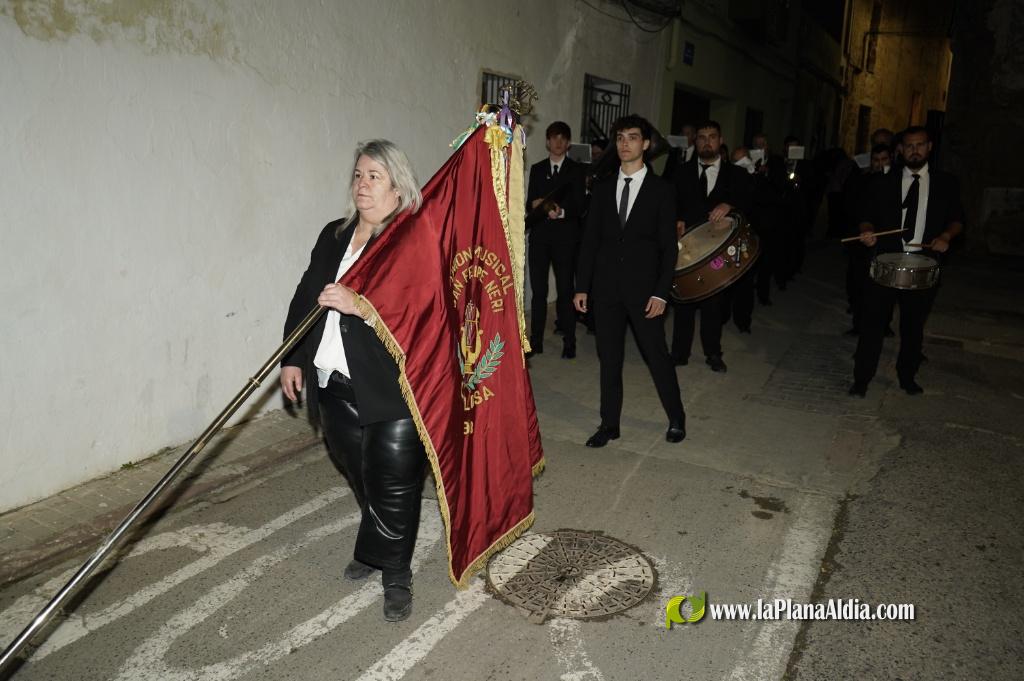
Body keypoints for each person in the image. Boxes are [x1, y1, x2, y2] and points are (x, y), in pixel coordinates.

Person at [280, 139, 426, 622]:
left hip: (392, 386)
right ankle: (373, 547)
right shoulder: (334, 234)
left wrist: (362, 306)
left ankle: (396, 573)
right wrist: (292, 358)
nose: (363, 185)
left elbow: (424, 310)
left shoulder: (411, 240)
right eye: (359, 175)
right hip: (333, 382)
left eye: (374, 176)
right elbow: (306, 294)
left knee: (395, 484)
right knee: (361, 475)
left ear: (397, 186)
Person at [574, 114, 686, 447]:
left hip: (645, 292)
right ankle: (610, 424)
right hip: (606, 289)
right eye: (620, 137)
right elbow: (590, 240)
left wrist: (661, 293)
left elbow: (668, 248)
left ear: (646, 144)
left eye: (633, 137)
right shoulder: (604, 187)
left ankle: (677, 418)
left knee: (657, 357)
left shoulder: (662, 190)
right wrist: (582, 286)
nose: (625, 144)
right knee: (609, 359)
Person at [850, 126, 964, 396]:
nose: (915, 150)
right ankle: (862, 378)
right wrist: (866, 231)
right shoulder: (883, 182)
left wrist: (946, 236)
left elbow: (958, 219)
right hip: (886, 261)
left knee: (913, 327)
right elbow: (866, 215)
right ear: (900, 149)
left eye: (920, 145)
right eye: (909, 146)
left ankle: (907, 375)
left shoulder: (946, 182)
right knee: (872, 325)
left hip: (923, 262)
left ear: (930, 147)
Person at [671, 120, 752, 370]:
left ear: (720, 140)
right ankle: (679, 353)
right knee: (683, 300)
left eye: (712, 137)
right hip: (687, 248)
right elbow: (668, 202)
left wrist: (730, 205)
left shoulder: (737, 175)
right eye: (702, 137)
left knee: (714, 303)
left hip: (718, 249)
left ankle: (713, 353)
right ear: (695, 141)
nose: (707, 141)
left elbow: (751, 206)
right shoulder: (680, 171)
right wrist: (676, 220)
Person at [526, 121, 587, 358]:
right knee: (538, 293)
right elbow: (530, 201)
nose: (558, 142)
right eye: (553, 138)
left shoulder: (576, 169)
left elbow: (580, 205)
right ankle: (536, 341)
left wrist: (560, 211)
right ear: (547, 142)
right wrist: (538, 205)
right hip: (540, 238)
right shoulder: (538, 168)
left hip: (565, 239)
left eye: (563, 138)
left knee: (565, 290)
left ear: (568, 143)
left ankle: (569, 341)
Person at [842, 144, 892, 335]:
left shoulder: (895, 181)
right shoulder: (862, 180)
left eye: (884, 160)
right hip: (861, 241)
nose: (880, 164)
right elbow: (851, 206)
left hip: (885, 241)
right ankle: (858, 323)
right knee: (858, 283)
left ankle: (883, 324)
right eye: (876, 160)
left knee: (884, 284)